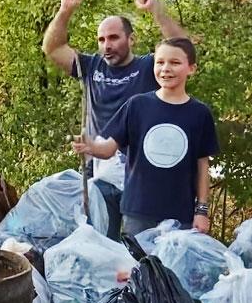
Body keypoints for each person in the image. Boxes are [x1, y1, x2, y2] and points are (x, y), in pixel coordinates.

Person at [42, 0, 188, 239]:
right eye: (101, 40)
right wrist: (65, 10)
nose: (107, 46)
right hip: (99, 173)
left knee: (139, 246)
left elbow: (181, 49)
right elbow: (53, 48)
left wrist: (157, 10)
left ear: (131, 40)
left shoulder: (147, 67)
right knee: (100, 244)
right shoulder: (91, 66)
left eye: (113, 38)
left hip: (140, 176)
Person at [72, 36, 219, 237]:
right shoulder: (137, 105)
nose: (166, 68)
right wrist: (90, 147)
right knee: (140, 267)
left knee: (173, 269)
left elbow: (203, 166)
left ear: (191, 68)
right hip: (138, 212)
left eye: (175, 63)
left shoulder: (200, 113)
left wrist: (201, 210)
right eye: (160, 62)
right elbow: (108, 149)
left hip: (181, 214)